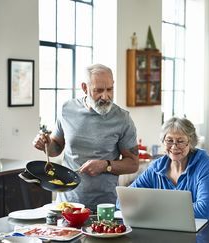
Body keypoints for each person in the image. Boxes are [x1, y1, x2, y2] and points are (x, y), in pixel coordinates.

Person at [32, 63, 139, 211]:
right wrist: (45, 144)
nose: (105, 96)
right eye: (99, 90)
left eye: (110, 89)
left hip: (104, 205)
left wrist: (105, 165)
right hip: (67, 203)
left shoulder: (122, 118)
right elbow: (56, 148)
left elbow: (133, 164)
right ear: (84, 88)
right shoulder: (67, 109)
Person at [126, 117, 209, 220]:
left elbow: (205, 210)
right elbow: (124, 201)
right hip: (171, 228)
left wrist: (156, 209)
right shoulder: (156, 167)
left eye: (180, 141)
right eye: (169, 140)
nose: (174, 146)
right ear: (163, 141)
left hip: (207, 228)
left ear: (191, 143)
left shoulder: (202, 161)